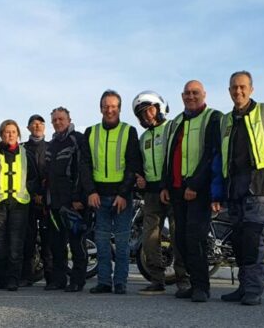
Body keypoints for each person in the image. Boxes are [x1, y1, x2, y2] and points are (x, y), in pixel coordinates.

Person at [212, 71, 264, 306]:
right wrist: (217, 193)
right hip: (234, 191)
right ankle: (243, 287)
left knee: (252, 240)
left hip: (260, 189)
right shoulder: (226, 121)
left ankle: (253, 290)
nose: (238, 91)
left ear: (251, 89)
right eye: (233, 88)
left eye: (242, 87)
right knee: (238, 243)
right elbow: (219, 159)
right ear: (229, 91)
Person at [160, 80, 222, 302]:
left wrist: (195, 185)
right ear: (181, 96)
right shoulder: (176, 121)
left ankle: (201, 288)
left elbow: (212, 155)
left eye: (195, 92)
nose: (191, 96)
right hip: (177, 190)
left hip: (199, 190)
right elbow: (169, 155)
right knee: (181, 240)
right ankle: (192, 283)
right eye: (187, 93)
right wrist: (166, 185)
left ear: (204, 94)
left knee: (195, 239)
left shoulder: (213, 118)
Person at [81, 90, 142, 295]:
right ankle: (104, 282)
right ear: (100, 108)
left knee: (123, 242)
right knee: (101, 242)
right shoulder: (91, 132)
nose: (109, 110)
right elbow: (84, 164)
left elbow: (133, 165)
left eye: (113, 106)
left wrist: (124, 194)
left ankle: (120, 282)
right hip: (98, 196)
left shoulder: (129, 131)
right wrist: (90, 191)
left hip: (121, 197)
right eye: (106, 106)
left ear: (119, 109)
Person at [131, 92, 189, 296]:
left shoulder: (172, 129)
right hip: (151, 193)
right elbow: (140, 164)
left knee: (177, 234)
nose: (146, 115)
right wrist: (140, 179)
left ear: (159, 106)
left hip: (174, 190)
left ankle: (184, 280)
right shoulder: (143, 138)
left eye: (149, 109)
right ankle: (157, 279)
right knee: (150, 237)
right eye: (141, 113)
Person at [0, 120, 37, 291]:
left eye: (13, 132)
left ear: (18, 134)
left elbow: (33, 176)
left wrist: (27, 189)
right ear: (1, 134)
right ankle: (0, 278)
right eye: (7, 132)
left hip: (19, 204)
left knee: (16, 245)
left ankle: (13, 279)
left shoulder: (26, 154)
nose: (10, 135)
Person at [44, 107, 89, 292]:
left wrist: (79, 198)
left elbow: (83, 170)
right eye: (54, 120)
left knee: (77, 243)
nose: (57, 122)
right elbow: (47, 175)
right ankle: (58, 279)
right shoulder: (51, 144)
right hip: (54, 202)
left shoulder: (77, 139)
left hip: (73, 202)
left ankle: (78, 280)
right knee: (57, 243)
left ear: (69, 119)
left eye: (61, 119)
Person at [21, 114, 51, 287]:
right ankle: (26, 275)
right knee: (28, 240)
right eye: (33, 124)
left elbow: (52, 174)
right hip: (27, 200)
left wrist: (43, 193)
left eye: (40, 124)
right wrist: (33, 193)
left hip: (47, 201)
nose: (37, 126)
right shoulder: (22, 148)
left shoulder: (51, 147)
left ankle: (51, 277)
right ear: (28, 128)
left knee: (48, 241)